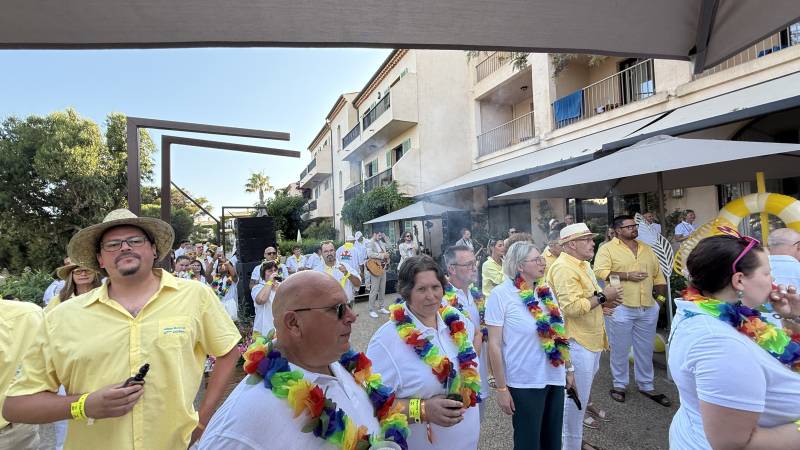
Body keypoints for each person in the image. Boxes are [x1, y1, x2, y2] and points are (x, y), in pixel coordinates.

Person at [3, 209, 241, 449]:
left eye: (135, 240)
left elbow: (229, 351)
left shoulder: (194, 296)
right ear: (100, 259)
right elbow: (16, 406)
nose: (125, 247)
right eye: (113, 244)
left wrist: (203, 420)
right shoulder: (62, 317)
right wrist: (83, 406)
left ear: (154, 249)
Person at [199, 271, 409, 450]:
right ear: (293, 323)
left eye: (349, 305)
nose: (352, 316)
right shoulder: (247, 416)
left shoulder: (345, 364)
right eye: (337, 309)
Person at [668, 232, 800, 449]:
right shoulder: (718, 343)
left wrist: (792, 317)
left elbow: (788, 355)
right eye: (767, 273)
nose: (773, 281)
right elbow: (734, 444)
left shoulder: (724, 313)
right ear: (739, 280)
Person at [367, 255, 482, 449]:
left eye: (436, 287)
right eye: (421, 289)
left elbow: (473, 346)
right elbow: (372, 406)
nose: (431, 296)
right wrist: (422, 409)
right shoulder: (385, 341)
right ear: (406, 292)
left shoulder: (456, 321)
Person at [486, 241, 575, 450]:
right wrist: (501, 388)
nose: (542, 263)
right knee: (528, 442)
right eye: (536, 260)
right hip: (524, 381)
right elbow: (494, 345)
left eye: (542, 259)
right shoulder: (501, 295)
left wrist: (569, 369)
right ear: (519, 266)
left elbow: (559, 331)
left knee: (552, 441)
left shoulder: (545, 291)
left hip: (553, 376)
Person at [546, 223, 623, 450]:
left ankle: (573, 441)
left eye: (592, 239)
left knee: (578, 397)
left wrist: (602, 304)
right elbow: (571, 307)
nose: (592, 243)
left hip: (589, 339)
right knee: (574, 401)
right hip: (576, 342)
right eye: (587, 239)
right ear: (571, 244)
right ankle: (569, 445)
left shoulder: (582, 264)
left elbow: (585, 299)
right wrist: (602, 297)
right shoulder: (563, 268)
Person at [593, 215, 670, 407]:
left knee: (645, 349)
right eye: (628, 226)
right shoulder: (607, 249)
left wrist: (659, 302)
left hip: (647, 307)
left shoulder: (647, 248)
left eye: (634, 226)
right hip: (621, 307)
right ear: (618, 230)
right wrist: (627, 275)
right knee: (619, 349)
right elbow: (600, 272)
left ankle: (646, 385)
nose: (634, 229)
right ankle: (619, 384)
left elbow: (659, 277)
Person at [443, 245, 489, 414]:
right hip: (460, 379)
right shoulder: (443, 299)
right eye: (468, 264)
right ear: (452, 269)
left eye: (474, 263)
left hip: (480, 374)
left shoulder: (476, 294)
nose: (474, 267)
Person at [0, 299, 44, 450]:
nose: (82, 273)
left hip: (17, 428)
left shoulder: (30, 314)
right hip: (18, 427)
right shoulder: (31, 314)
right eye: (78, 272)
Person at [314, 241, 361, 306]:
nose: (329, 253)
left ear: (335, 251)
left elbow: (358, 284)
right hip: (327, 308)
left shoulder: (345, 266)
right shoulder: (317, 271)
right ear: (321, 253)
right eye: (326, 251)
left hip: (346, 306)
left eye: (331, 250)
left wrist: (347, 274)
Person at [250, 260, 281, 336]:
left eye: (275, 270)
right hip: (263, 329)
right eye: (270, 271)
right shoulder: (257, 287)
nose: (273, 273)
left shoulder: (281, 286)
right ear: (263, 274)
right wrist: (270, 282)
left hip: (279, 327)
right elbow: (261, 300)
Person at [367, 231, 390, 318]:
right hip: (375, 268)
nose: (380, 237)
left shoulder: (380, 242)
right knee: (374, 289)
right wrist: (382, 255)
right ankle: (371, 310)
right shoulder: (370, 242)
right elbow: (369, 254)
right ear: (374, 234)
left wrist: (385, 238)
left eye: (381, 235)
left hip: (383, 267)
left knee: (382, 288)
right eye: (379, 235)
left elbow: (389, 246)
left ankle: (381, 307)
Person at [211, 254, 239, 322]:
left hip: (230, 307)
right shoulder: (215, 279)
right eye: (219, 265)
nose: (221, 266)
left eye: (224, 264)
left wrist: (226, 261)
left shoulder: (232, 279)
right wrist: (213, 260)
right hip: (218, 307)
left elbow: (234, 275)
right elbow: (207, 274)